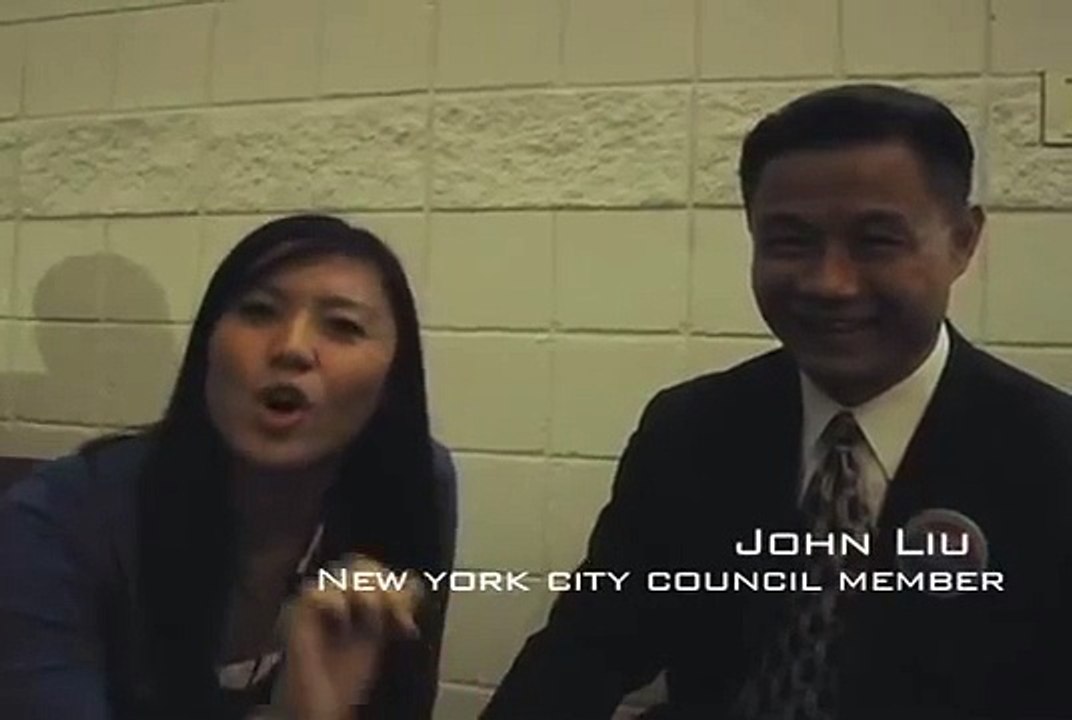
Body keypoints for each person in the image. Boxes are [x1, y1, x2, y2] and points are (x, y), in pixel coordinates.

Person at [482, 85, 1072, 719]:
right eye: (790, 241)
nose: (830, 282)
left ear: (963, 241)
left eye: (876, 241)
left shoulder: (1051, 454)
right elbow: (588, 646)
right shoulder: (691, 429)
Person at [0, 214, 458, 720]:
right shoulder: (56, 518)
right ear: (206, 349)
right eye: (259, 311)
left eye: (344, 326)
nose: (291, 347)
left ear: (392, 380)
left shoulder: (415, 486)